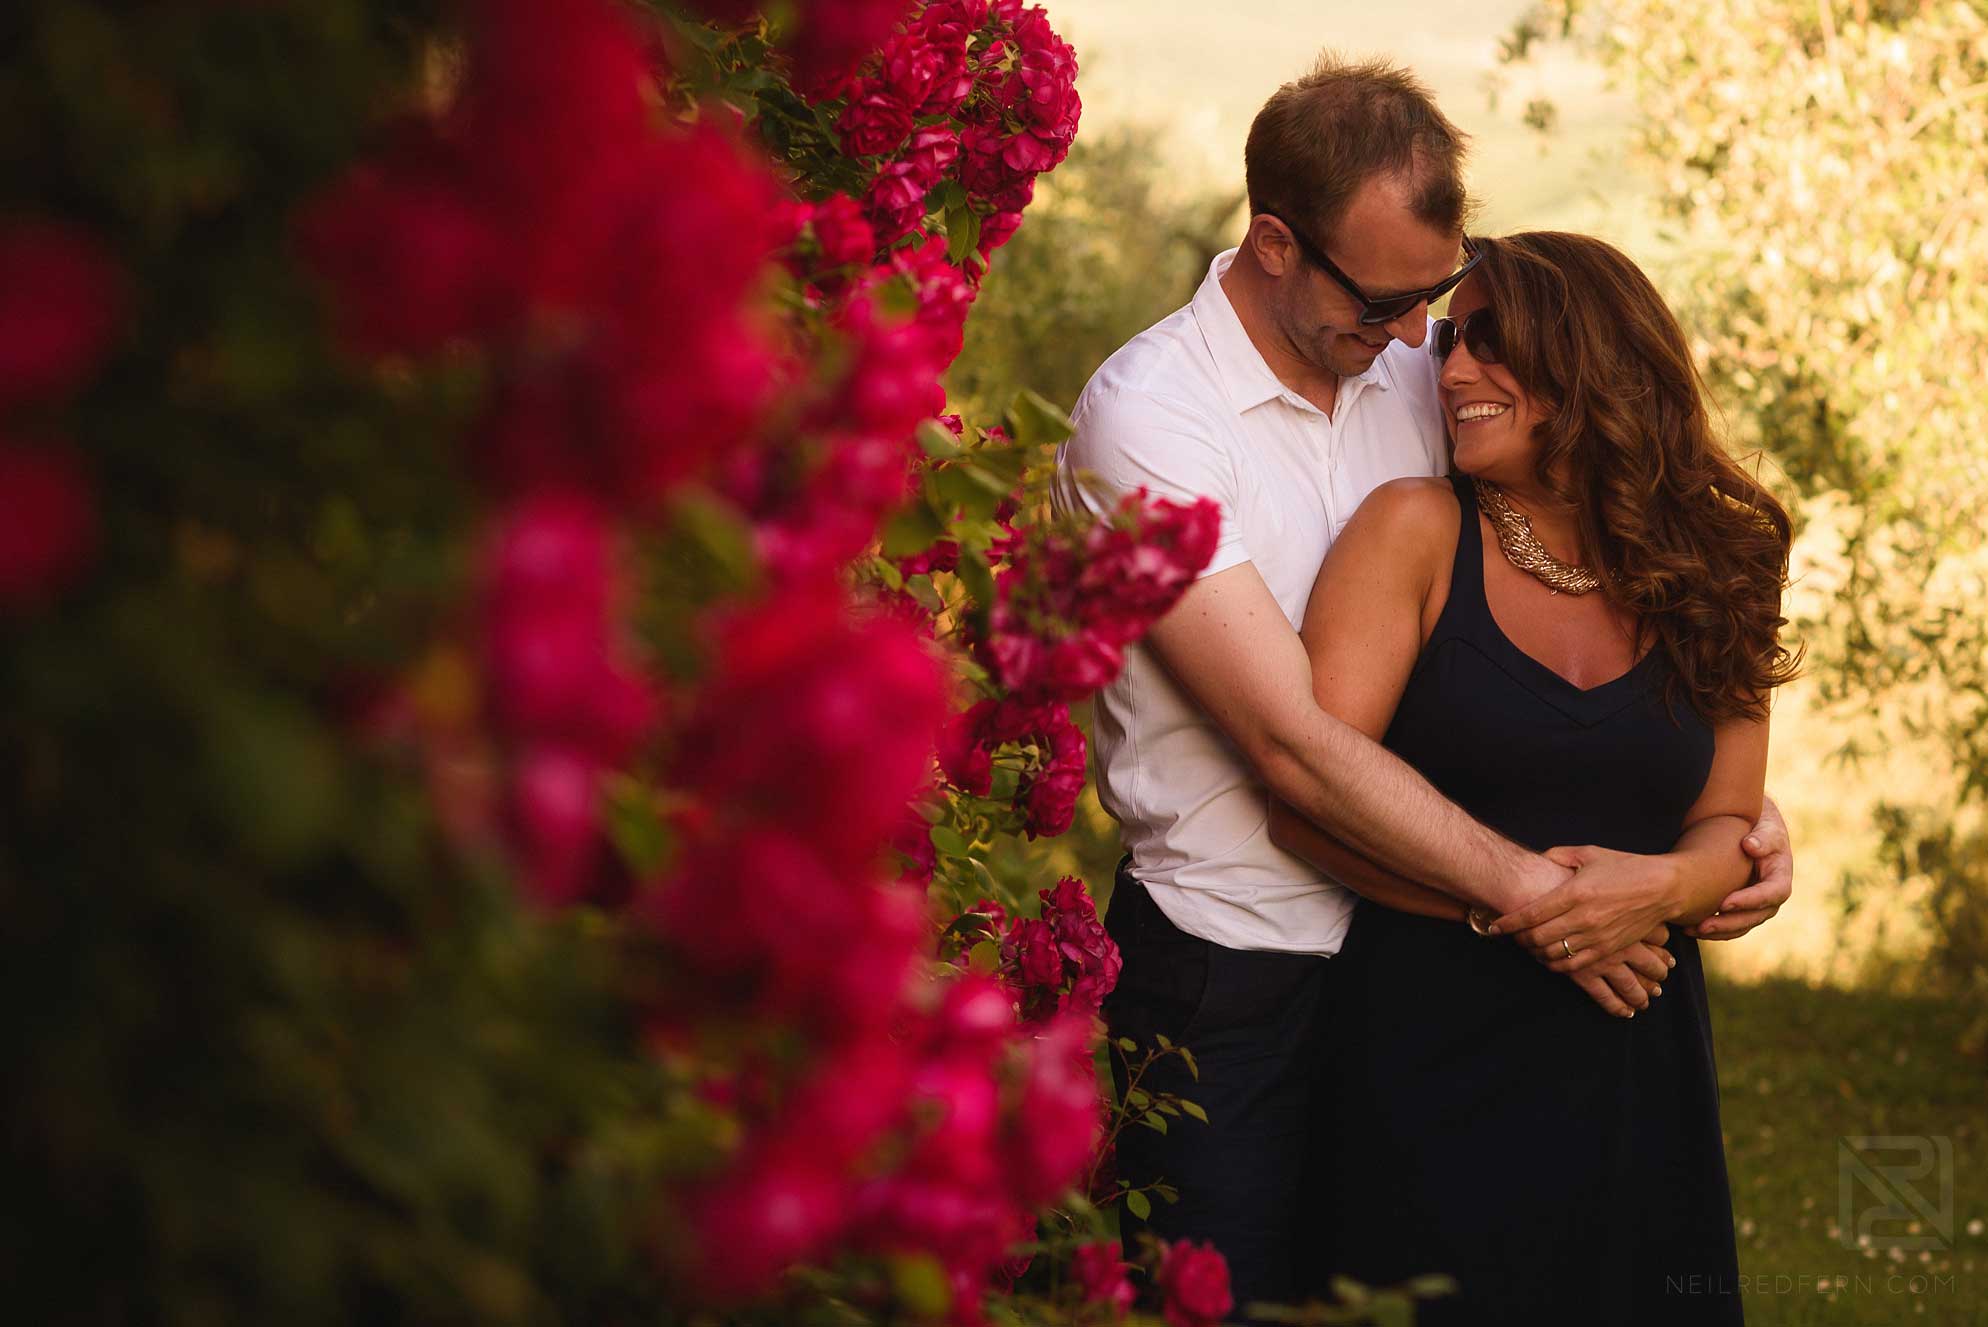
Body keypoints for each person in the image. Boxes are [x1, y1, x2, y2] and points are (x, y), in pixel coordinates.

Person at [1049, 54, 1796, 1312]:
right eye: (1389, 302)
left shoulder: (1426, 368)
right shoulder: (1151, 421)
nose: (1418, 343)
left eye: (1435, 300)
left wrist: (1715, 838)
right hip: (1240, 963)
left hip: (1412, 952)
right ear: (1275, 244)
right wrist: (1551, 900)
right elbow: (1291, 753)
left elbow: (1578, 604)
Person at [1269, 230, 1795, 1323]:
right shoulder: (1410, 535)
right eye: (1452, 338)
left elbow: (1724, 819)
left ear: (1593, 360)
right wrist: (1542, 912)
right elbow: (1307, 805)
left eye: (1492, 341)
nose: (1450, 368)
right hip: (1419, 1062)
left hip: (1634, 1073)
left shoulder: (1722, 560)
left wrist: (1653, 893)